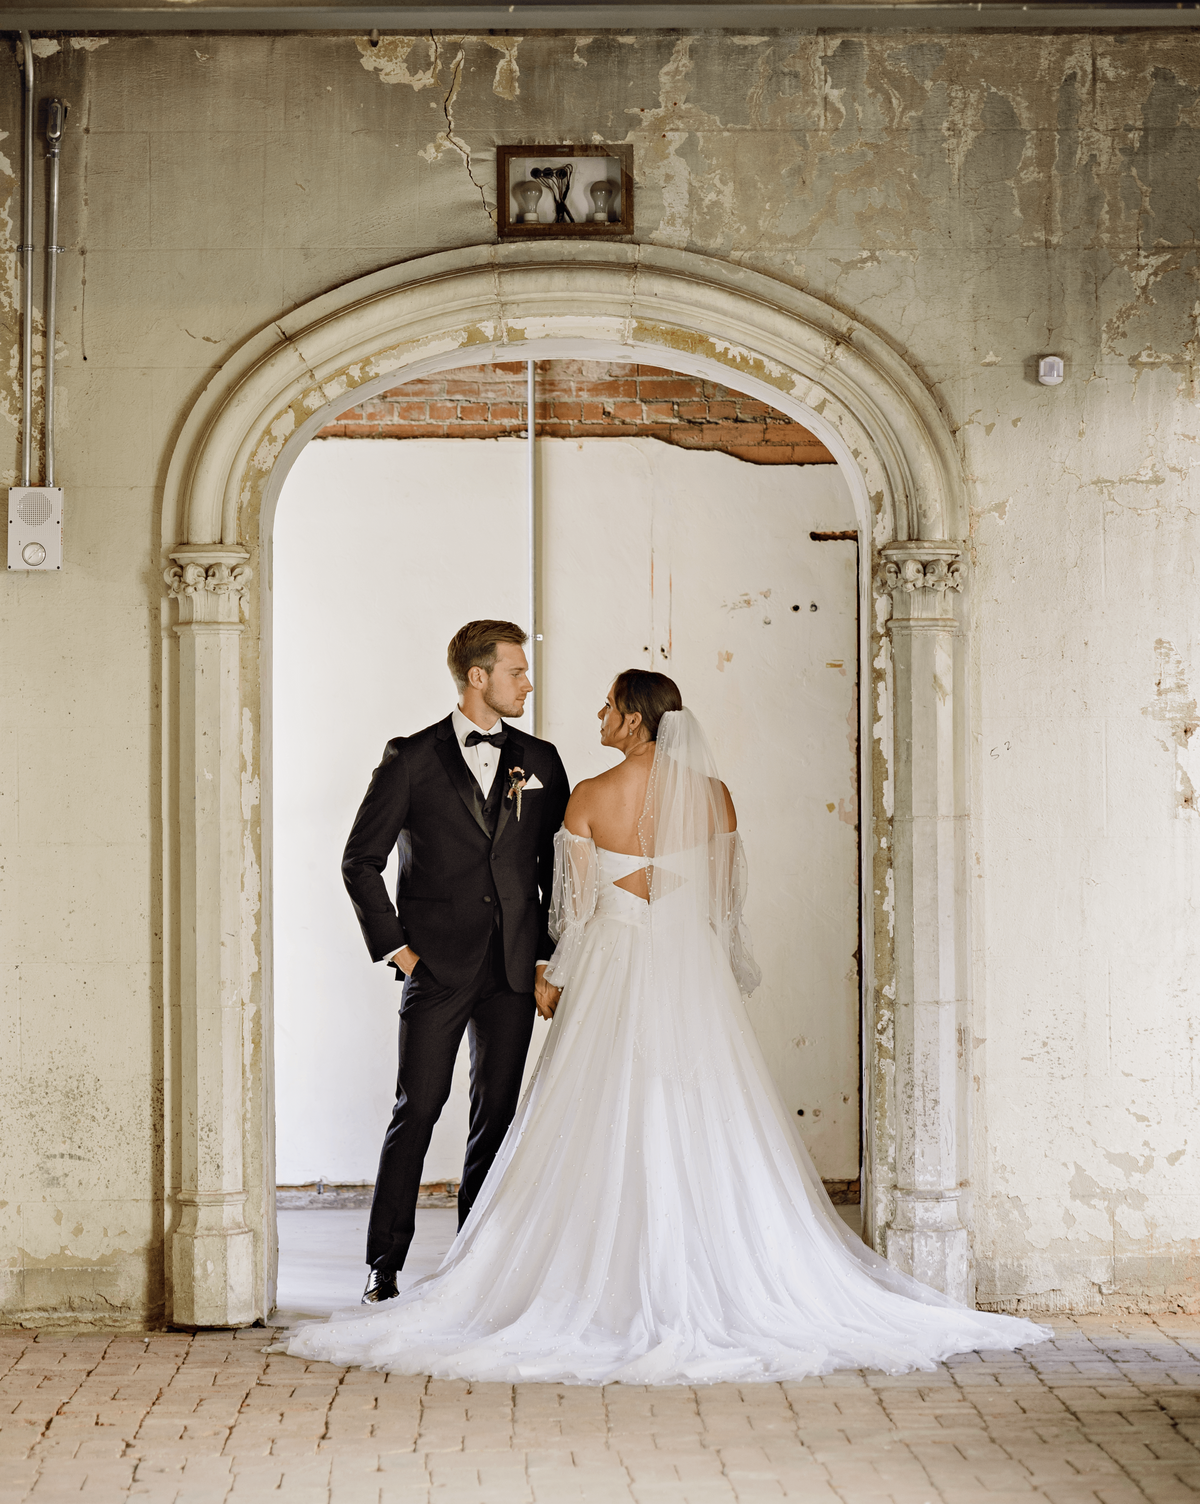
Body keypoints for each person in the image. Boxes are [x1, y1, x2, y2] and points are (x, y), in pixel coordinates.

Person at [289, 670, 1050, 1380]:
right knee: (695, 1113)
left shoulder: (583, 791)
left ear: (634, 718)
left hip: (615, 972)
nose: (597, 716)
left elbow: (576, 915)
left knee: (575, 1116)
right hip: (686, 978)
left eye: (609, 707)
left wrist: (556, 976)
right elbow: (722, 908)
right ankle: (401, 1264)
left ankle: (513, 1270)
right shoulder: (715, 797)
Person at [340, 620, 569, 1304]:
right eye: (516, 672)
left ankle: (477, 1260)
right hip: (435, 968)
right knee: (419, 1107)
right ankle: (385, 1263)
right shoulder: (410, 758)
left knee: (495, 1114)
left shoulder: (543, 760)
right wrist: (401, 952)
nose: (527, 682)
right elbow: (361, 861)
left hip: (511, 970)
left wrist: (545, 959)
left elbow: (556, 866)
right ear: (478, 677)